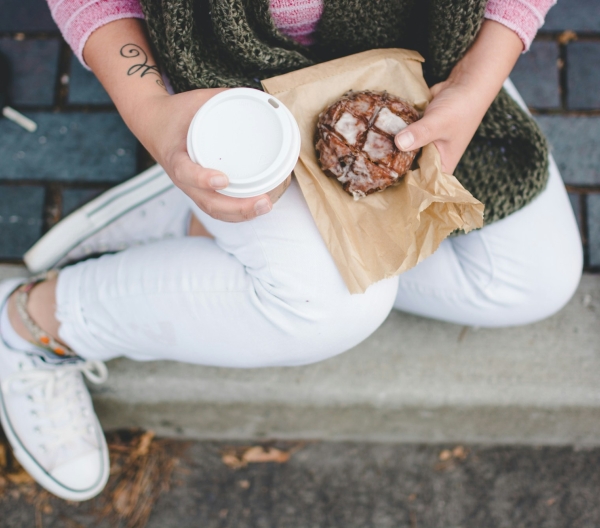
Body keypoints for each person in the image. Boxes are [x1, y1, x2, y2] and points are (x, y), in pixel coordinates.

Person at [0, 0, 581, 501]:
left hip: (416, 56)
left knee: (535, 280)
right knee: (334, 307)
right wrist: (152, 113)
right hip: (230, 82)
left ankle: (207, 225)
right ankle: (30, 326)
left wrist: (477, 81)